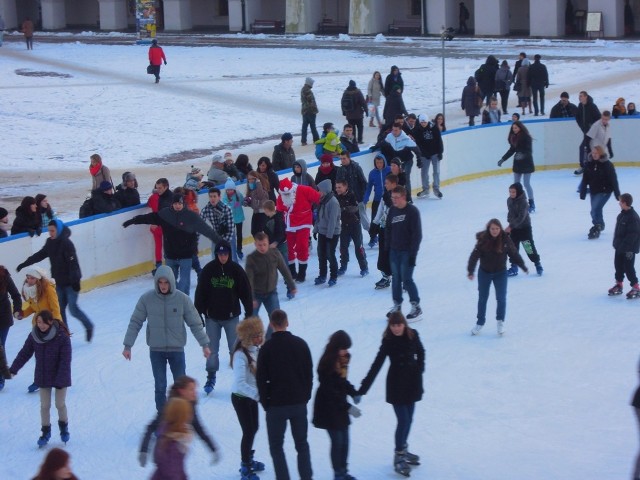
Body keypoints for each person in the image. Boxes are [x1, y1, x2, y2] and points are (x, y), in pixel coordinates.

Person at [122, 266, 211, 413]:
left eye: (166, 282)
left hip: (177, 350)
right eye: (160, 283)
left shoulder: (182, 299)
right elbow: (135, 322)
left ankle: (181, 417)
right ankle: (162, 419)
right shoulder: (147, 299)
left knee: (181, 387)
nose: (163, 286)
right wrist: (127, 345)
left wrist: (204, 344)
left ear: (171, 282)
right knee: (160, 386)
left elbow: (195, 323)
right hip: (156, 351)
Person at [358, 312, 425, 478]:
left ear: (404, 324)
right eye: (393, 325)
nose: (396, 328)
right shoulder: (388, 341)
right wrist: (363, 389)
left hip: (412, 383)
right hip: (396, 385)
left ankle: (404, 448)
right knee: (403, 420)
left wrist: (419, 368)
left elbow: (421, 352)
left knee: (409, 419)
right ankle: (398, 456)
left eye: (398, 325)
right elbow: (377, 364)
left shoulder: (413, 334)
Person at [122, 191, 222, 295]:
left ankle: (183, 304)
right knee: (170, 284)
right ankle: (175, 301)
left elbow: (206, 229)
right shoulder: (165, 215)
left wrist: (219, 241)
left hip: (185, 256)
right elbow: (149, 217)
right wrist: (133, 220)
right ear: (172, 204)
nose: (177, 206)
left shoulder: (190, 216)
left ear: (183, 204)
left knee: (184, 285)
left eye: (179, 204)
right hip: (170, 256)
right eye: (175, 204)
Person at [256, 309, 313, 480]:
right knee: (302, 445)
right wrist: (305, 396)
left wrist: (266, 403)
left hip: (276, 405)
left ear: (272, 325)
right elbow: (309, 374)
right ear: (287, 323)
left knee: (276, 447)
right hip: (298, 403)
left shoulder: (266, 349)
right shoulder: (301, 344)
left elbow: (261, 380)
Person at [16, 219, 95, 342]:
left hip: (71, 284)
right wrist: (25, 263)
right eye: (49, 231)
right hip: (58, 283)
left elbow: (73, 264)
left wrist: (75, 281)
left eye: (53, 231)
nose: (50, 233)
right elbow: (40, 254)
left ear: (58, 230)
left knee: (73, 310)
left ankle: (89, 326)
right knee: (59, 311)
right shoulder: (50, 243)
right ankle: (66, 336)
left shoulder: (67, 243)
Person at [194, 241, 253, 395]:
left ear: (229, 254)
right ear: (216, 254)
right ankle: (211, 376)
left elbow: (245, 292)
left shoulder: (236, 270)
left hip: (231, 317)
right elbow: (201, 293)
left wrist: (249, 312)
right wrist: (198, 313)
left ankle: (240, 379)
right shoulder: (208, 270)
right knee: (212, 350)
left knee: (235, 351)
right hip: (212, 317)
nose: (223, 257)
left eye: (225, 254)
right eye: (220, 254)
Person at [10, 310, 72, 447]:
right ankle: (45, 432)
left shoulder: (62, 336)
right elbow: (24, 353)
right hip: (43, 374)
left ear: (50, 321)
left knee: (59, 404)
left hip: (60, 375)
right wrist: (13, 369)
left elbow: (65, 360)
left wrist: (61, 379)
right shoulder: (34, 336)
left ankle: (64, 429)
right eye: (38, 322)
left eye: (43, 322)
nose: (41, 325)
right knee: (45, 405)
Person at [139, 375, 219, 468]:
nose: (195, 393)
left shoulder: (191, 405)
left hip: (178, 454)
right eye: (191, 389)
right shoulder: (170, 408)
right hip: (165, 454)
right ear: (182, 391)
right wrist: (144, 450)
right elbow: (151, 427)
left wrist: (212, 448)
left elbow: (198, 427)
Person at [312, 330, 361, 480]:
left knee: (345, 440)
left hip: (340, 405)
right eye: (343, 348)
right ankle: (338, 474)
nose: (346, 351)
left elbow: (343, 382)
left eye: (347, 348)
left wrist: (353, 393)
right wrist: (349, 407)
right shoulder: (326, 364)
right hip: (328, 408)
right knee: (337, 441)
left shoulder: (344, 360)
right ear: (336, 347)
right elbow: (330, 392)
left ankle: (343, 471)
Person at [467, 219, 528, 336]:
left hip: (500, 273)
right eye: (492, 229)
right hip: (484, 273)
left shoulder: (505, 240)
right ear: (488, 229)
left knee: (501, 298)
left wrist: (522, 266)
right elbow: (474, 256)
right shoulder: (483, 240)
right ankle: (480, 323)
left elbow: (514, 253)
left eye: (497, 228)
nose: (494, 231)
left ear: (500, 229)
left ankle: (500, 321)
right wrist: (471, 270)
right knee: (482, 298)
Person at [231, 317, 267, 479]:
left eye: (260, 334)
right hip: (241, 398)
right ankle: (245, 465)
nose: (259, 338)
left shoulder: (256, 350)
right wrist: (257, 395)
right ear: (247, 338)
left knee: (254, 428)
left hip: (251, 397)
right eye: (255, 336)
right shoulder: (240, 355)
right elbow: (239, 383)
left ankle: (249, 459)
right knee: (248, 431)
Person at [245, 232, 297, 337]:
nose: (262, 247)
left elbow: (284, 270)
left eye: (264, 244)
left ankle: (268, 341)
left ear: (268, 243)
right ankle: (255, 343)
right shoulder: (251, 258)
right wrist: (251, 298)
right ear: (255, 244)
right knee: (252, 320)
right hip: (257, 293)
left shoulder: (275, 254)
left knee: (276, 320)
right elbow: (248, 280)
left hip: (271, 293)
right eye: (260, 245)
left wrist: (292, 286)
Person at [19, 267, 61, 393]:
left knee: (52, 355)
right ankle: (38, 380)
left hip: (50, 326)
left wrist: (57, 325)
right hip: (37, 327)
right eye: (28, 277)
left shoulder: (48, 289)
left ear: (38, 279)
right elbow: (33, 308)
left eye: (32, 278)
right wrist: (22, 313)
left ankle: (57, 378)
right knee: (39, 355)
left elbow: (55, 308)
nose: (29, 280)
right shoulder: (30, 290)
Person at [385, 185, 422, 320]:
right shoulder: (392, 211)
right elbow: (388, 229)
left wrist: (413, 254)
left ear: (403, 197)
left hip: (407, 252)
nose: (393, 200)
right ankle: (397, 305)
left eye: (396, 197)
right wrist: (387, 248)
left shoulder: (412, 212)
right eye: (392, 197)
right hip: (394, 251)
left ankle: (416, 306)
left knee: (406, 279)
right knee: (396, 279)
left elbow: (417, 235)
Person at [276, 178, 321, 283]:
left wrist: (318, 213)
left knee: (302, 246)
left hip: (303, 222)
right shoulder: (280, 197)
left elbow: (319, 198)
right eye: (284, 194)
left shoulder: (304, 190)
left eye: (288, 193)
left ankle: (302, 273)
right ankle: (292, 272)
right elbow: (279, 211)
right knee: (288, 248)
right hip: (288, 225)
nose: (286, 195)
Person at [579, 145, 620, 240]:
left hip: (605, 191)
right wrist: (583, 191)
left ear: (600, 153)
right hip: (594, 190)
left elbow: (613, 179)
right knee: (597, 209)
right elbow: (585, 179)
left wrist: (617, 193)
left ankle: (597, 225)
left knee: (594, 209)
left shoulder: (607, 165)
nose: (594, 155)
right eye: (593, 153)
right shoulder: (589, 164)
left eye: (596, 153)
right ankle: (600, 224)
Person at [505, 182, 543, 277]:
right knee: (513, 248)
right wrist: (509, 221)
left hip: (524, 229)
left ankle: (537, 263)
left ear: (518, 192)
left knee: (528, 248)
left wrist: (510, 226)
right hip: (514, 229)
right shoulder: (509, 200)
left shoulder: (524, 202)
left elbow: (521, 217)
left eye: (513, 192)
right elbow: (510, 213)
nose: (511, 194)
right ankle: (514, 267)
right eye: (510, 192)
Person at [498, 120, 536, 213]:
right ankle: (518, 203)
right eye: (513, 128)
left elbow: (529, 150)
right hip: (518, 163)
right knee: (516, 185)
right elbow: (511, 150)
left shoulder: (526, 137)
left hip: (527, 163)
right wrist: (503, 159)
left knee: (526, 184)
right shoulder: (513, 138)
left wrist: (523, 154)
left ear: (520, 128)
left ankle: (531, 203)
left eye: (516, 128)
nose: (514, 129)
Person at [150, 397, 192, 479]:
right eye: (188, 413)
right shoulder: (173, 444)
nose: (190, 416)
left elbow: (156, 458)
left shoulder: (165, 433)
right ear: (182, 416)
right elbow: (172, 472)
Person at [608, 193, 640, 299]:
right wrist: (617, 244)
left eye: (620, 201)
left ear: (625, 203)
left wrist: (626, 247)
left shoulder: (633, 217)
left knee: (628, 267)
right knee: (618, 266)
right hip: (620, 247)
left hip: (629, 249)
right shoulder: (621, 215)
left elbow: (633, 235)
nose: (619, 203)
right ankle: (619, 284)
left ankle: (636, 287)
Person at [335, 179, 368, 278]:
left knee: (358, 247)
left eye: (339, 187)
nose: (337, 189)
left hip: (355, 225)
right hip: (344, 226)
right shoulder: (337, 197)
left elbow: (355, 208)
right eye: (336, 187)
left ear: (345, 187)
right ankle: (343, 266)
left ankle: (364, 267)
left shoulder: (352, 195)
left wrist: (343, 209)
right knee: (343, 247)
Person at [370, 173, 398, 290]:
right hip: (383, 230)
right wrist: (374, 224)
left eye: (387, 183)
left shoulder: (400, 197)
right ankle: (386, 277)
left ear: (393, 184)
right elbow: (380, 211)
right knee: (383, 256)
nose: (385, 185)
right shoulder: (384, 196)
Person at [382, 123, 421, 201]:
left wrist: (419, 159)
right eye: (393, 130)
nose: (394, 132)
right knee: (396, 179)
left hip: (407, 161)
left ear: (400, 130)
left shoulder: (405, 138)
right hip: (397, 162)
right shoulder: (390, 136)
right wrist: (376, 146)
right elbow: (383, 143)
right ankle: (396, 197)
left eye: (396, 130)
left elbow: (416, 149)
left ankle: (408, 198)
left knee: (406, 178)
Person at [313, 179, 341, 286]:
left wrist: (329, 236)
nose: (317, 192)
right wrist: (316, 230)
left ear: (324, 190)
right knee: (321, 254)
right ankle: (322, 275)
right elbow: (319, 218)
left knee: (330, 254)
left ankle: (333, 276)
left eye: (319, 190)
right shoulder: (322, 201)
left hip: (332, 233)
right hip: (322, 232)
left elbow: (333, 221)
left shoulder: (333, 202)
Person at [336, 150, 369, 231]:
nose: (342, 161)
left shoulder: (356, 167)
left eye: (344, 158)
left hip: (358, 198)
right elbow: (338, 184)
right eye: (341, 159)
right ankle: (349, 236)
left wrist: (363, 196)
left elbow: (363, 182)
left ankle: (372, 234)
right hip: (346, 200)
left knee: (363, 217)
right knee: (348, 218)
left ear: (349, 158)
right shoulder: (340, 170)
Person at [0, 265, 21, 391]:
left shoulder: (4, 276)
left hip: (3, 319)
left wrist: (17, 309)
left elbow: (16, 295)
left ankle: (1, 377)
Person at [200, 187, 236, 260]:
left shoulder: (227, 209)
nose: (212, 199)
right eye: (210, 196)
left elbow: (231, 228)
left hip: (228, 234)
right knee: (215, 257)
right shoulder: (206, 209)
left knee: (232, 258)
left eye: (214, 196)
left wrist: (224, 242)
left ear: (219, 197)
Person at [363, 152, 391, 246]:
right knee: (374, 220)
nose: (379, 164)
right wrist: (365, 198)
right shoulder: (372, 173)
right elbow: (369, 187)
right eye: (377, 162)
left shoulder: (389, 170)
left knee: (387, 220)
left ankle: (388, 237)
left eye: (381, 162)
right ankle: (373, 237)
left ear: (384, 162)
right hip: (377, 200)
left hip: (388, 200)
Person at [416, 114, 444, 199]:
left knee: (436, 171)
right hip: (425, 154)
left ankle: (436, 189)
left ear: (427, 121)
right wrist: (424, 153)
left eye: (424, 122)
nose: (423, 123)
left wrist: (440, 152)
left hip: (435, 153)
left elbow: (439, 140)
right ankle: (425, 189)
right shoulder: (418, 129)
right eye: (422, 122)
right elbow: (419, 144)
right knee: (424, 172)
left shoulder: (433, 127)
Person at [148, 178, 173, 273]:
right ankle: (169, 264)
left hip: (155, 226)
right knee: (168, 245)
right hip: (164, 225)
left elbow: (149, 205)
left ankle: (158, 265)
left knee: (158, 245)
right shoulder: (168, 198)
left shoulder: (152, 198)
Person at [575, 90, 601, 175]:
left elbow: (598, 118)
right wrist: (583, 127)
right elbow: (578, 117)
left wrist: (592, 127)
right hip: (586, 132)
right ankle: (584, 166)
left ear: (586, 96)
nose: (580, 97)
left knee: (590, 149)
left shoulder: (592, 106)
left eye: (581, 96)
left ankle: (594, 166)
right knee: (584, 148)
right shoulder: (580, 106)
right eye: (579, 96)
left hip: (594, 132)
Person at [223, 178, 246, 260]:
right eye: (228, 190)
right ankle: (232, 250)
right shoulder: (225, 197)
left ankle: (239, 249)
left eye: (231, 190)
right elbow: (225, 207)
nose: (229, 192)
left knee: (239, 234)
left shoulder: (238, 194)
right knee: (231, 236)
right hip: (230, 219)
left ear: (234, 189)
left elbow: (243, 202)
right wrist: (232, 206)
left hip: (239, 217)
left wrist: (246, 202)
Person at [341, 80, 367, 144]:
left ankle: (353, 140)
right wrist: (366, 110)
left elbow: (342, 103)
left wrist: (344, 112)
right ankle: (360, 140)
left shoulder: (345, 92)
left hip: (349, 114)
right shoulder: (358, 92)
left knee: (352, 128)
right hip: (358, 114)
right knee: (360, 127)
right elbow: (363, 102)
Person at [246, 170, 271, 236]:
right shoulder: (251, 191)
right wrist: (247, 202)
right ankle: (260, 244)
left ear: (257, 179)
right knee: (254, 232)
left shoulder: (263, 190)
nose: (251, 181)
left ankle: (267, 244)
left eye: (253, 179)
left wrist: (258, 183)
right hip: (256, 213)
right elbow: (253, 204)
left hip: (263, 213)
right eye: (249, 179)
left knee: (262, 232)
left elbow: (260, 196)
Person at [300, 77, 319, 146]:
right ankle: (316, 140)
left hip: (305, 110)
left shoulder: (303, 89)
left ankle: (303, 141)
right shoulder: (307, 90)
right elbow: (311, 101)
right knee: (313, 126)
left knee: (304, 126)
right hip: (310, 111)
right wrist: (315, 110)